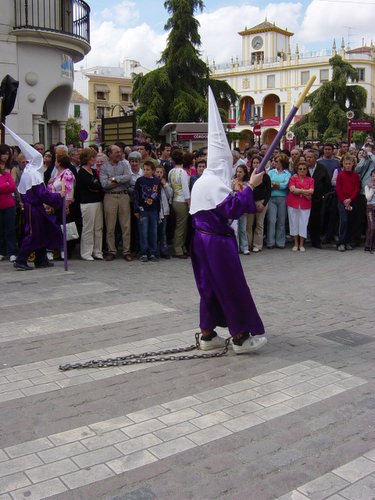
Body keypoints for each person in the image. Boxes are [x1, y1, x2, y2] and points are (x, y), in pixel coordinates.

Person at [190, 87, 267, 354]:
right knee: (231, 286)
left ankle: (208, 334)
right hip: (217, 244)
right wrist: (251, 187)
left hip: (201, 241)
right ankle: (240, 337)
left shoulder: (202, 181)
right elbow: (231, 209)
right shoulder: (213, 182)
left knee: (209, 287)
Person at [4, 126, 65, 271]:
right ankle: (21, 259)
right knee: (33, 233)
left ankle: (41, 258)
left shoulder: (32, 171)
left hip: (36, 207)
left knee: (42, 231)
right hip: (33, 207)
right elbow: (41, 193)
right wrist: (58, 196)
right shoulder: (32, 173)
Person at [99, 144, 132, 261]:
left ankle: (126, 251)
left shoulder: (125, 164)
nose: (120, 154)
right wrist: (120, 179)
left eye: (120, 152)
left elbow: (128, 177)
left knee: (126, 225)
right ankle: (111, 250)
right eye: (117, 152)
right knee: (110, 226)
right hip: (110, 197)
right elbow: (104, 184)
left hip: (124, 196)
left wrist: (113, 179)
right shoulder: (103, 167)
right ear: (110, 154)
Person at [77, 148, 104, 261]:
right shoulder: (81, 172)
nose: (94, 159)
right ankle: (86, 252)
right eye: (92, 157)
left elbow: (99, 185)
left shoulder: (93, 171)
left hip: (97, 201)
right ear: (87, 159)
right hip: (87, 203)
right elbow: (92, 186)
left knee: (98, 227)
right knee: (88, 228)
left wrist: (96, 187)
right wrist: (95, 187)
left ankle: (97, 251)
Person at [133, 160, 161, 262]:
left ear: (153, 171)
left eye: (148, 170)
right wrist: (136, 209)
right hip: (143, 209)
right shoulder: (140, 181)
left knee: (153, 231)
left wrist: (159, 211)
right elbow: (136, 195)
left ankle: (153, 252)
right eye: (144, 169)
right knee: (143, 231)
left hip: (153, 209)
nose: (145, 171)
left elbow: (158, 196)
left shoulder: (156, 181)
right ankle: (143, 252)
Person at [286, 159, 314, 252]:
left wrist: (299, 190)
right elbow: (292, 190)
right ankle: (295, 244)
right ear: (297, 170)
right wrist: (304, 191)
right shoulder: (292, 178)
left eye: (304, 169)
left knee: (303, 224)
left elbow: (311, 191)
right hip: (293, 204)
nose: (302, 170)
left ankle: (302, 244)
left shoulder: (311, 180)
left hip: (305, 205)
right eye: (300, 169)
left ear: (307, 170)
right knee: (294, 223)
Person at [168, 149, 190, 258]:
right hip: (182, 201)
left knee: (179, 224)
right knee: (181, 226)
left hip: (174, 200)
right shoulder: (183, 172)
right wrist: (189, 202)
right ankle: (178, 249)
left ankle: (181, 247)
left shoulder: (171, 171)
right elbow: (185, 190)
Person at [246, 155, 271, 253]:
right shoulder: (249, 176)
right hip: (250, 202)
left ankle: (257, 245)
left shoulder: (266, 176)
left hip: (261, 202)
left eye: (258, 163)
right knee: (249, 224)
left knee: (259, 224)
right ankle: (248, 244)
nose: (256, 165)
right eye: (254, 163)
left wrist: (263, 204)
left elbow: (269, 192)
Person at [336, 154, 360, 252]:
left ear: (353, 164)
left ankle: (348, 241)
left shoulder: (355, 175)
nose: (348, 165)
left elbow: (357, 189)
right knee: (344, 221)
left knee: (351, 221)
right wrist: (344, 200)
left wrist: (350, 199)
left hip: (352, 201)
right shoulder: (340, 175)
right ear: (343, 164)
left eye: (349, 164)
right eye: (346, 164)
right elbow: (338, 189)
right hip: (342, 201)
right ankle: (341, 242)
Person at [267, 153, 291, 248]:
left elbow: (285, 185)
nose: (275, 163)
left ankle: (280, 242)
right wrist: (278, 185)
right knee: (271, 220)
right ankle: (270, 242)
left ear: (282, 162)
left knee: (281, 221)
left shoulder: (287, 173)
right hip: (271, 198)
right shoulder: (271, 172)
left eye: (277, 161)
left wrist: (275, 184)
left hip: (283, 199)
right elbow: (268, 184)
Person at [0, 154, 17, 262]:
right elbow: (7, 186)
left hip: (9, 205)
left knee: (10, 229)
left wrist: (5, 186)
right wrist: (4, 186)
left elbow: (12, 187)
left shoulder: (6, 174)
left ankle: (12, 252)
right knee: (0, 230)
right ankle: (1, 251)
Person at [155, 165, 172, 258]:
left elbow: (170, 195)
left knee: (163, 231)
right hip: (155, 210)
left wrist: (165, 184)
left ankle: (164, 250)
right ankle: (155, 250)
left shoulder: (165, 184)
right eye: (157, 172)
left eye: (161, 172)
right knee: (155, 231)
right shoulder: (152, 182)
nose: (159, 174)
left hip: (164, 210)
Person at [232, 164, 250, 254]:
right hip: (235, 208)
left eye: (240, 172)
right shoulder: (233, 182)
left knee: (243, 228)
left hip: (243, 209)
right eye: (237, 171)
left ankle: (244, 247)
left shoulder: (247, 184)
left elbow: (248, 196)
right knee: (235, 228)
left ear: (244, 173)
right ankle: (236, 247)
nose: (238, 173)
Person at [364, 168, 375, 252]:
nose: (374, 177)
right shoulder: (367, 186)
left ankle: (372, 245)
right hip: (370, 208)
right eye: (373, 176)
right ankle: (368, 245)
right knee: (371, 227)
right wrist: (372, 189)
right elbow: (368, 197)